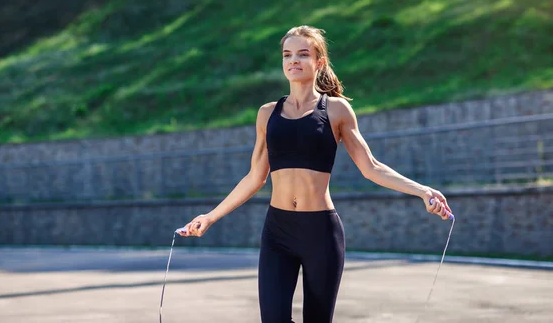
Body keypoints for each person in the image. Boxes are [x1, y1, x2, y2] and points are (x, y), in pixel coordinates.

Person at [178, 25, 453, 323]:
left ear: (319, 62)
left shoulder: (337, 110)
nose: (293, 60)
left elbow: (371, 167)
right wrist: (209, 217)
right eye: (287, 54)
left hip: (321, 231)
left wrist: (423, 191)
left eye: (302, 54)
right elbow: (254, 177)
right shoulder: (267, 113)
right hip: (278, 231)